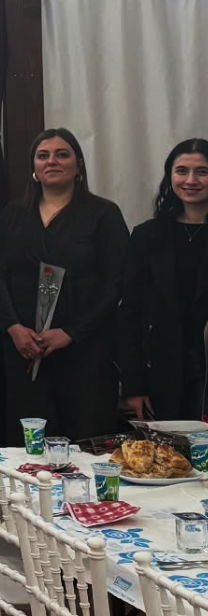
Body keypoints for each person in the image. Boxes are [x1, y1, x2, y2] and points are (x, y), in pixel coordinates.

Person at [0, 128, 128, 441]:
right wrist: (13, 328)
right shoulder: (12, 214)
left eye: (62, 154)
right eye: (43, 155)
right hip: (25, 349)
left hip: (85, 350)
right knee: (29, 443)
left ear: (79, 165)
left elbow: (115, 283)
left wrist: (71, 332)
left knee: (85, 440)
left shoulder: (103, 214)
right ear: (34, 168)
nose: (52, 161)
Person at [119, 139, 208, 421]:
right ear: (170, 176)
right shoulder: (146, 236)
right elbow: (129, 312)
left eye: (202, 172)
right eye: (182, 171)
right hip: (160, 371)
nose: (191, 180)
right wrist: (133, 385)